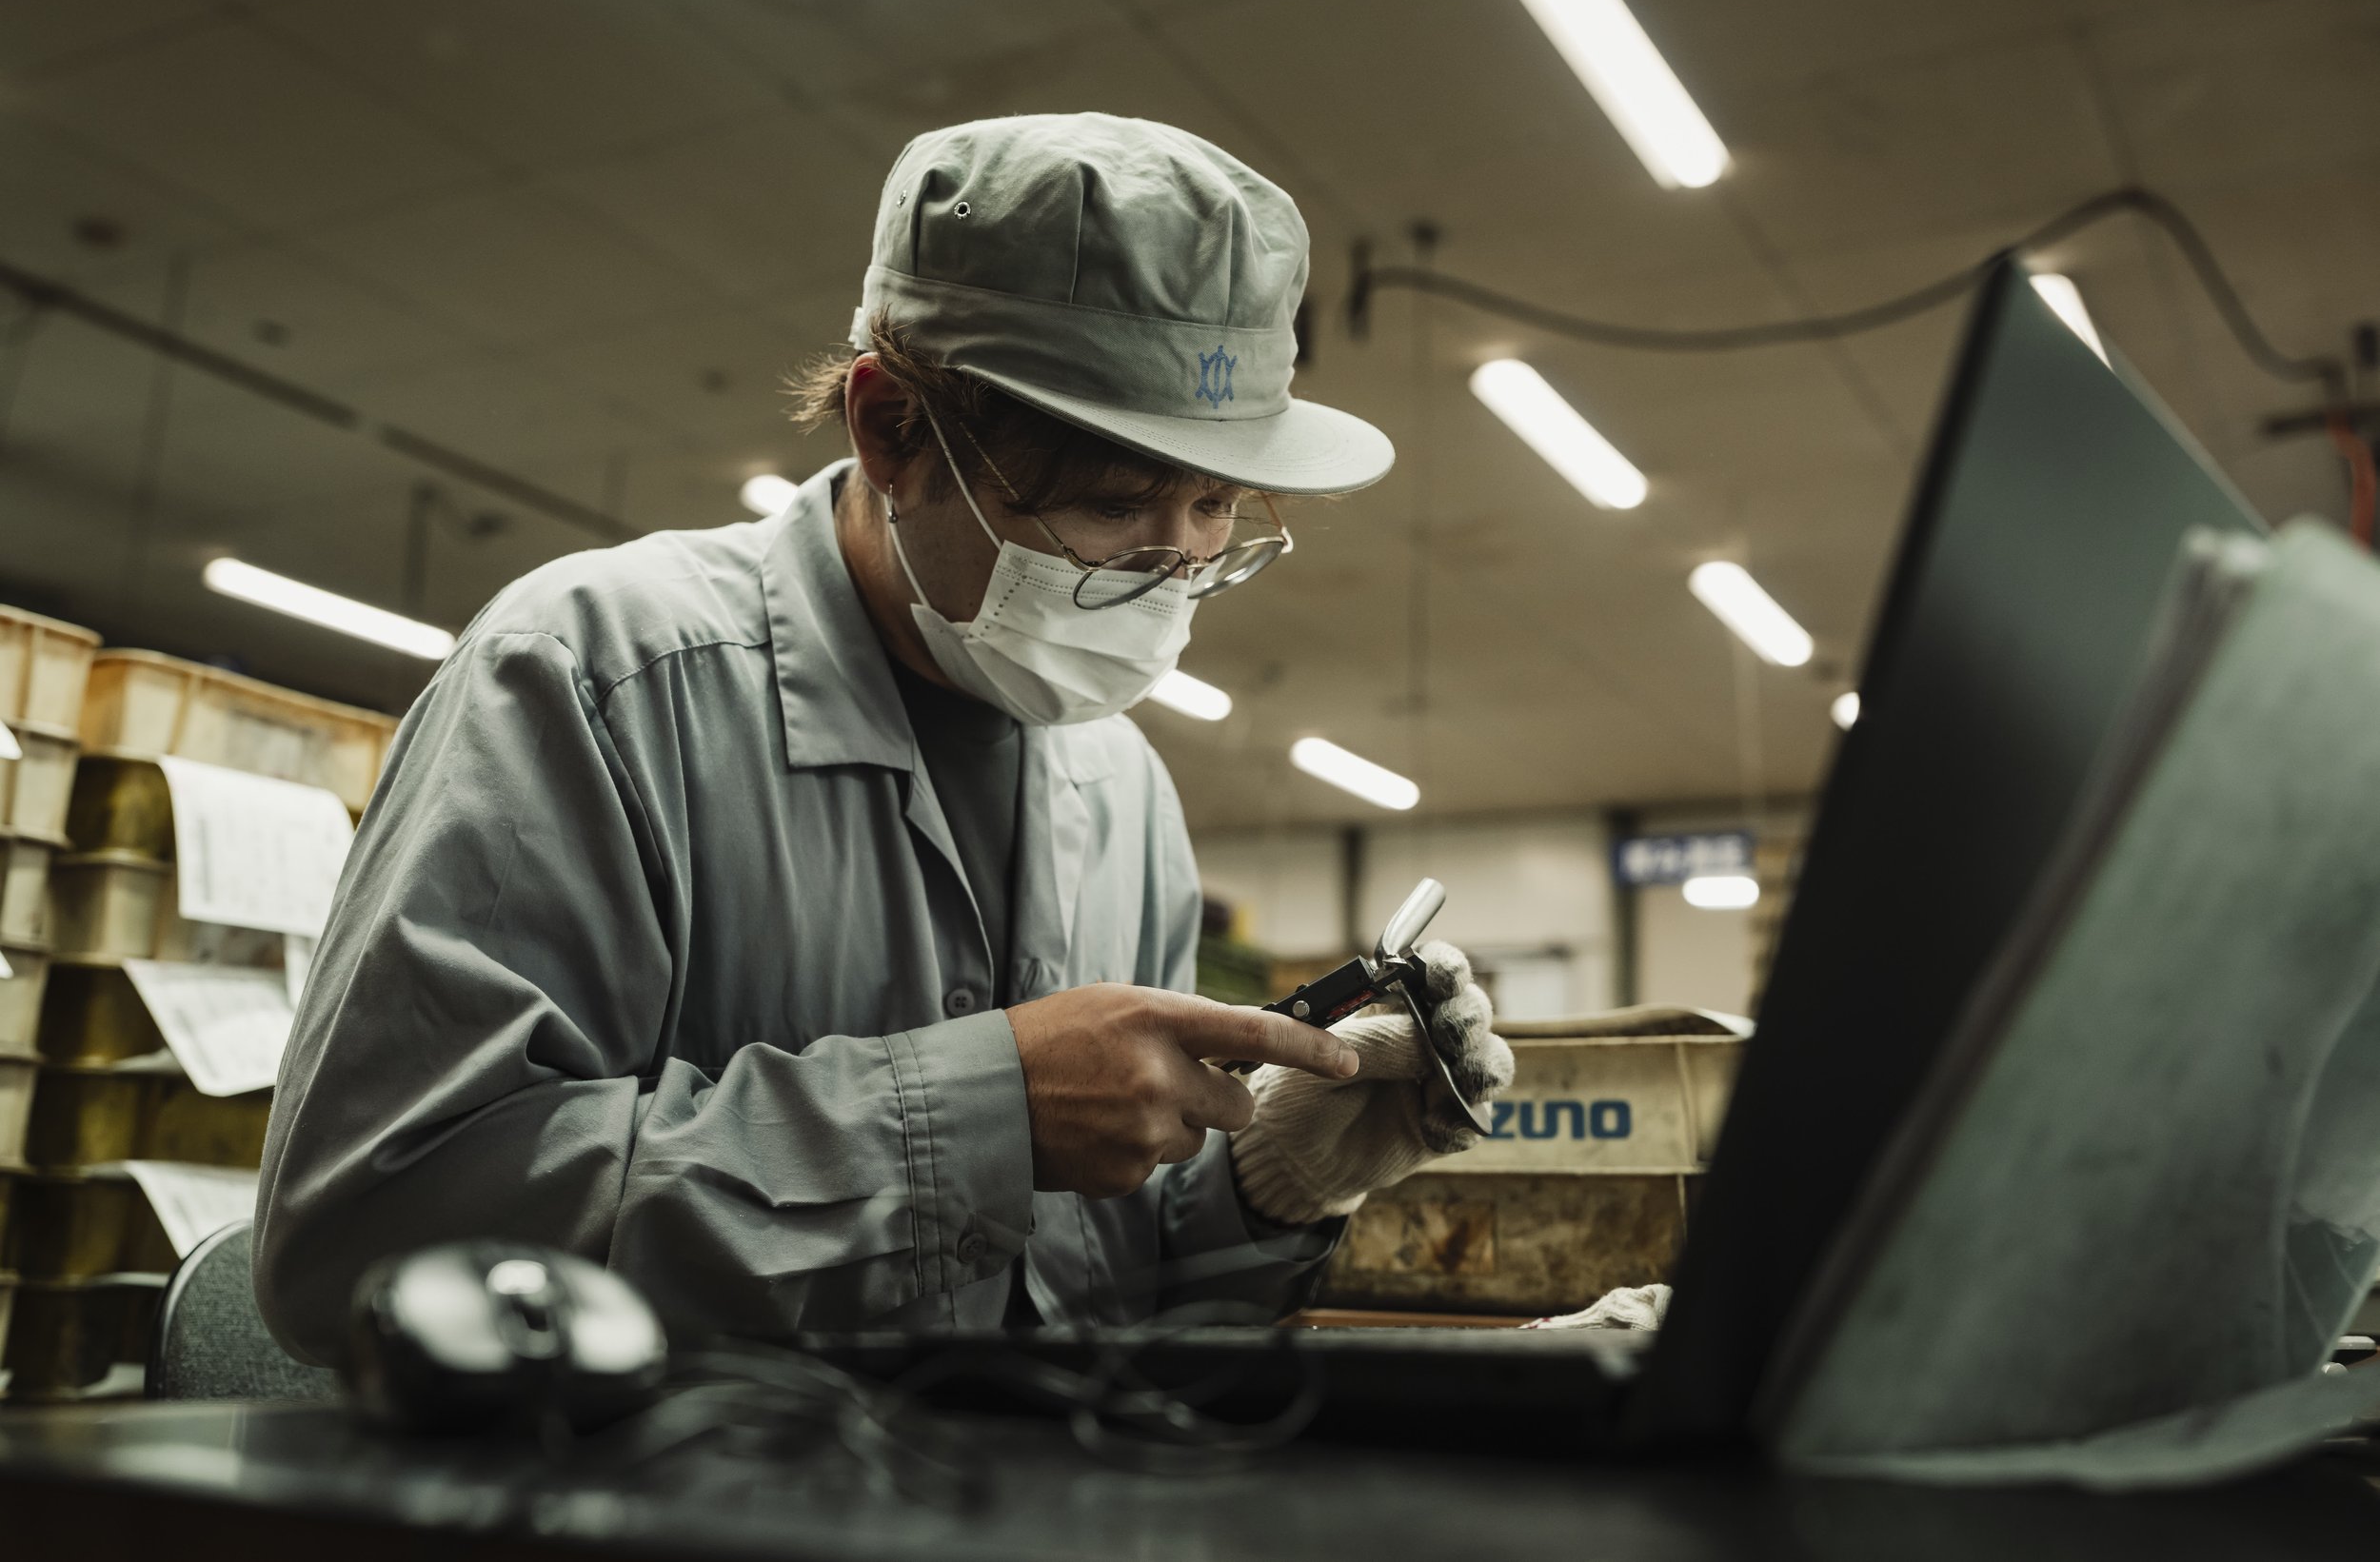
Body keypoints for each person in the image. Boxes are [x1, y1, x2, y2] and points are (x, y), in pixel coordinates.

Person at [253, 112, 1512, 1364]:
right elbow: (364, 1248)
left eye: (1215, 509)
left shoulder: (1120, 783)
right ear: (892, 430)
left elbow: (1084, 1293)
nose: (1173, 568)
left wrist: (1262, 1184)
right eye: (1115, 504)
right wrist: (966, 1122)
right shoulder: (592, 681)